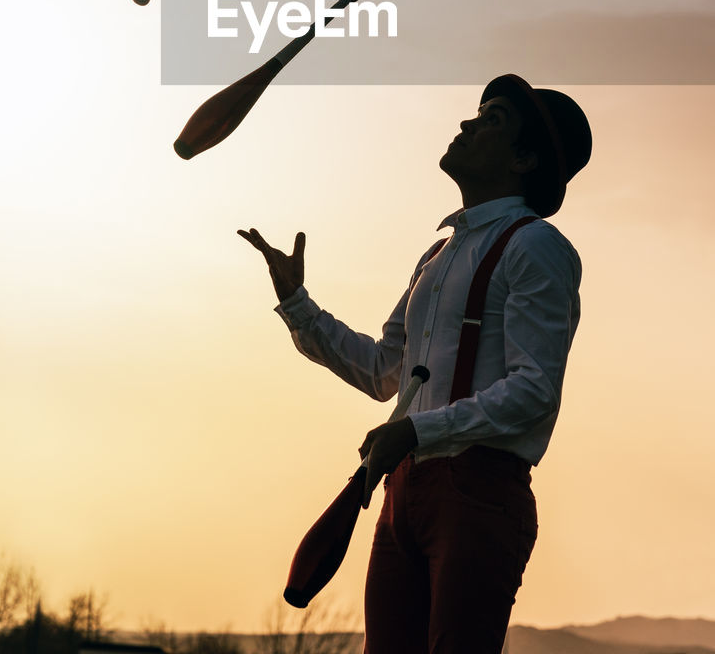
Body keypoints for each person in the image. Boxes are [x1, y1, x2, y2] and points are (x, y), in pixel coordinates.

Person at [239, 73, 592, 654]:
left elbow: (535, 390)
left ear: (525, 158)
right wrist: (297, 304)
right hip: (402, 494)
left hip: (477, 494)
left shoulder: (535, 246)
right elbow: (385, 372)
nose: (467, 124)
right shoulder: (437, 255)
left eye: (493, 119)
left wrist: (417, 429)